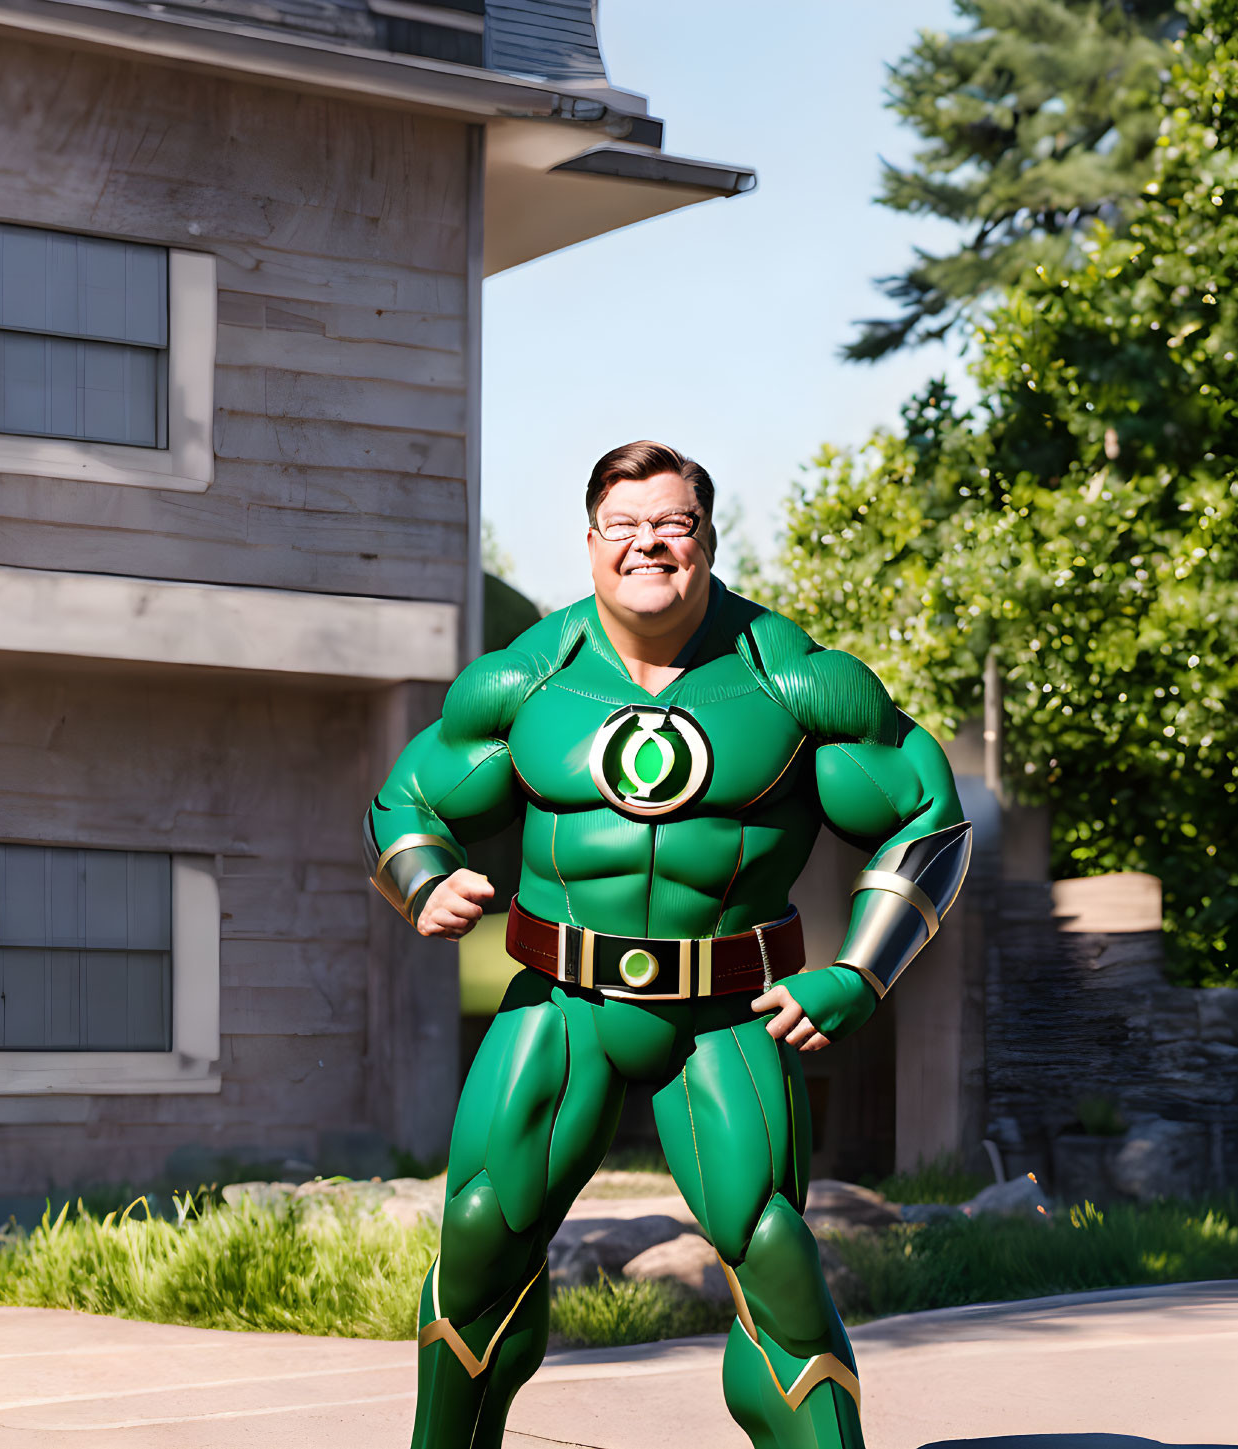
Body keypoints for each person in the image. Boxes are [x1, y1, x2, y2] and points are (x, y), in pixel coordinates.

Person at [364, 441, 970, 1449]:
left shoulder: (794, 678)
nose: (649, 543)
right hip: (562, 1008)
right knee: (477, 1237)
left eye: (673, 524)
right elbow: (410, 798)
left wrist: (863, 972)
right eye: (625, 526)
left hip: (726, 1012)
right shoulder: (525, 679)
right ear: (593, 541)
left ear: (706, 537)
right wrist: (423, 879)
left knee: (774, 1252)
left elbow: (927, 813)